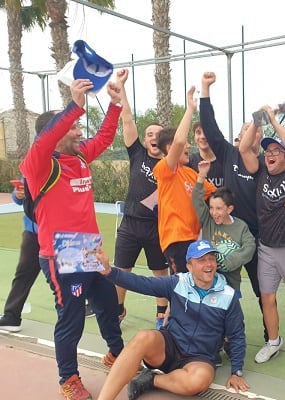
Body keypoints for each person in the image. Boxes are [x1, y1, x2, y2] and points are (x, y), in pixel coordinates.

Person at [20, 79, 125, 400]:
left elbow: (106, 136)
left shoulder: (79, 157)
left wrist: (116, 104)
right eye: (74, 127)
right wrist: (75, 105)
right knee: (72, 318)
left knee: (109, 307)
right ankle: (69, 378)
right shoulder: (38, 165)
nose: (80, 132)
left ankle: (117, 355)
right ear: (53, 131)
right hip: (59, 252)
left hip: (88, 249)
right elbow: (47, 138)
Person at [95, 240, 249, 400]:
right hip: (169, 346)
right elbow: (141, 283)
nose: (208, 264)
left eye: (211, 259)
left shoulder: (228, 296)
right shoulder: (177, 283)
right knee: (143, 337)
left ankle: (152, 380)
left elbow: (237, 335)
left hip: (200, 357)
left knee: (199, 381)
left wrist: (236, 372)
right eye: (202, 260)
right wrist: (109, 272)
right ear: (189, 266)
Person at [239, 102, 285, 364]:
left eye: (275, 151)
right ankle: (274, 341)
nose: (270, 154)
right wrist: (258, 120)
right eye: (268, 151)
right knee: (267, 297)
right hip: (266, 248)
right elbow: (243, 148)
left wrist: (275, 119)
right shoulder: (260, 171)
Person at [200, 71, 271, 342]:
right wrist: (205, 90)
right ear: (240, 135)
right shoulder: (229, 153)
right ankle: (219, 337)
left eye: (258, 131)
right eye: (247, 129)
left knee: (261, 288)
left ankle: (270, 335)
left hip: (253, 237)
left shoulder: (265, 163)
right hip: (221, 236)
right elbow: (209, 124)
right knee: (217, 288)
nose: (253, 133)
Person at [112, 69, 169, 329]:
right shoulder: (137, 155)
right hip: (130, 224)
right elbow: (127, 119)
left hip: (157, 227)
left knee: (160, 272)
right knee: (122, 270)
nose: (153, 137)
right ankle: (118, 310)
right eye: (149, 134)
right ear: (144, 140)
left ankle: (161, 313)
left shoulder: (170, 164)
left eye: (158, 135)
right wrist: (122, 86)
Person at [153, 85, 216, 274]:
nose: (188, 145)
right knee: (181, 289)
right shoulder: (165, 169)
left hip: (195, 240)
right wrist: (190, 109)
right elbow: (180, 141)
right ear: (171, 147)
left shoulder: (190, 173)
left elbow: (214, 194)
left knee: (193, 288)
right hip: (176, 240)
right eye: (185, 142)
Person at [192, 166, 256, 294]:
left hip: (230, 286)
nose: (214, 213)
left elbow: (250, 247)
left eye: (219, 208)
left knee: (230, 313)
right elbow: (196, 199)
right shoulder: (207, 220)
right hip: (208, 285)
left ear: (229, 209)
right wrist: (201, 176)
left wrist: (228, 262)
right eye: (211, 208)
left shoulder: (240, 227)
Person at [0, 177, 40, 332]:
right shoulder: (31, 166)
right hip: (32, 233)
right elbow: (17, 198)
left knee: (69, 277)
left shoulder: (65, 164)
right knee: (23, 274)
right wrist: (18, 194)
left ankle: (103, 310)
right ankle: (12, 317)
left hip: (58, 234)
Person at [188, 121, 225, 188]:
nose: (203, 136)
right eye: (198, 133)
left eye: (206, 132)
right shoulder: (190, 162)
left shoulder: (225, 161)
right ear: (194, 138)